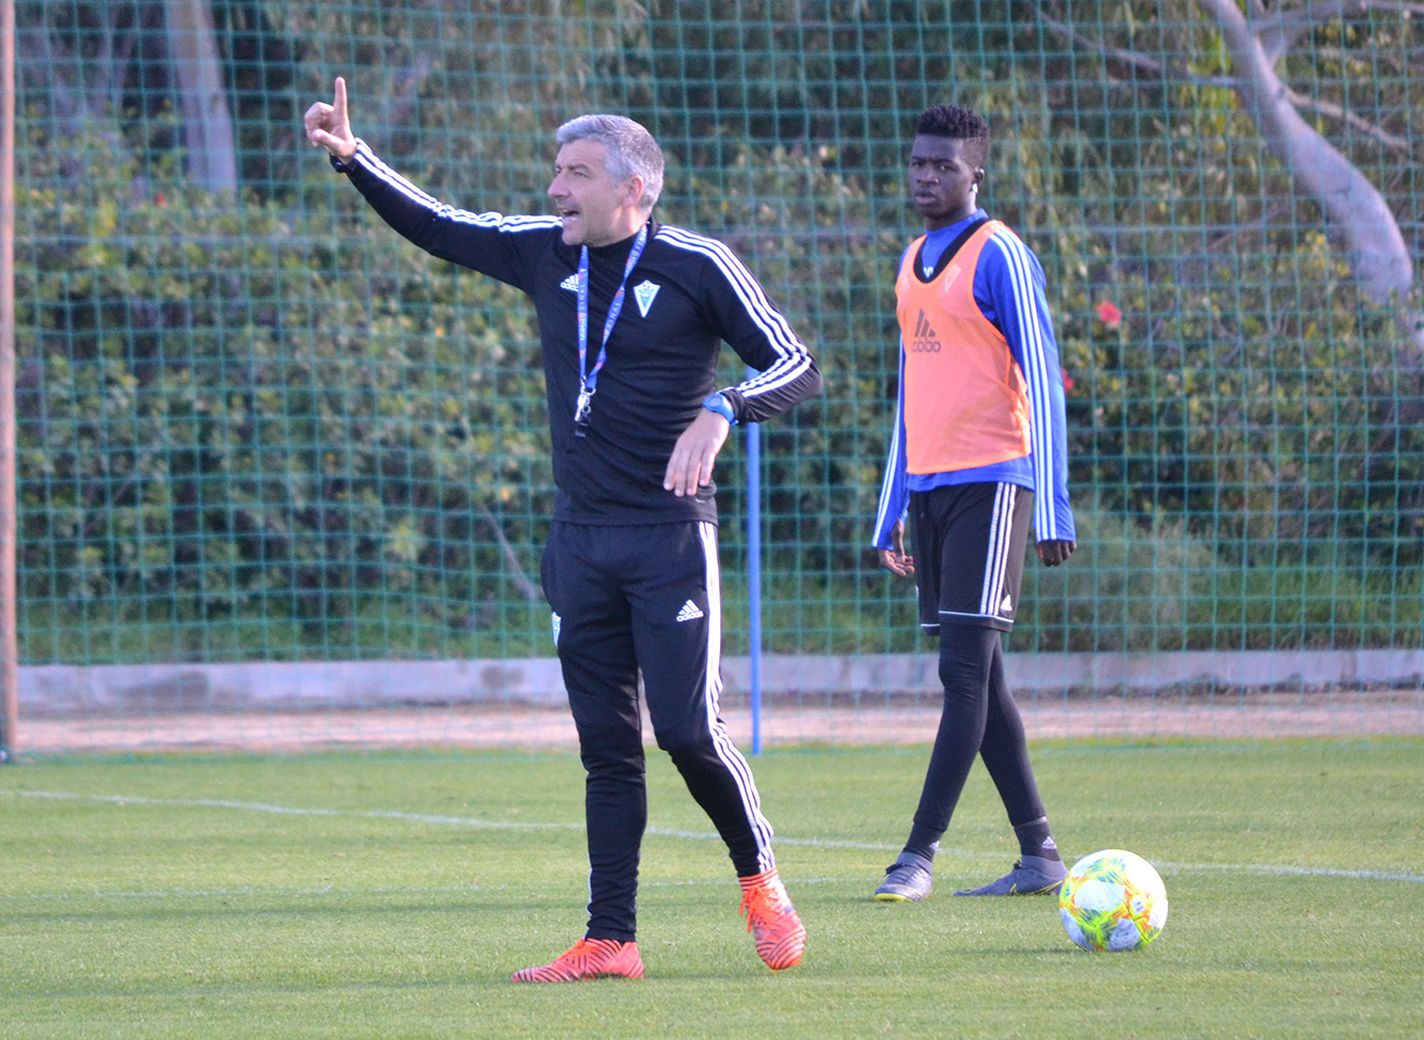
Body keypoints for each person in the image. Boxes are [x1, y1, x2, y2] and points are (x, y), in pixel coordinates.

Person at [304, 79, 821, 979]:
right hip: (578, 544)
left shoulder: (699, 265)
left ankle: (760, 880)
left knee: (689, 733)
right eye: (555, 169)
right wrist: (355, 158)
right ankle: (611, 938)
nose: (555, 189)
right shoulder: (546, 254)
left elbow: (798, 364)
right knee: (607, 749)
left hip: (668, 540)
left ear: (637, 188)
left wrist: (725, 409)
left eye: (576, 173)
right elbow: (439, 223)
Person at [869, 104, 1077, 902]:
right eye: (918, 163)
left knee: (962, 676)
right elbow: (909, 398)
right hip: (930, 490)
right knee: (983, 684)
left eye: (943, 166)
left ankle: (916, 856)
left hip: (996, 483)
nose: (926, 176)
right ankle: (1040, 855)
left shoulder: (1002, 256)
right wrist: (890, 507)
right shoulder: (911, 258)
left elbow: (1045, 383)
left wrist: (1051, 506)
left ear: (974, 174)